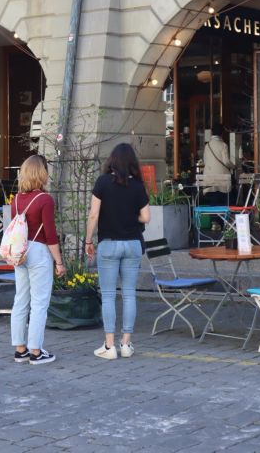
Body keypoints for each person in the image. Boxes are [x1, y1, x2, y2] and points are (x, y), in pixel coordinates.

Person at [85, 143, 151, 361]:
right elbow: (146, 217)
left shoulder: (103, 182)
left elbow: (94, 215)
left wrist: (88, 240)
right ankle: (126, 343)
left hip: (109, 243)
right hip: (132, 243)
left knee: (109, 295)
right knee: (130, 293)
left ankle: (109, 345)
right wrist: (131, 217)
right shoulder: (138, 186)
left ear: (111, 160)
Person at [10, 155, 65, 365]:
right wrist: (58, 262)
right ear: (41, 173)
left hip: (21, 252)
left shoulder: (16, 199)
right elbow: (50, 235)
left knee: (21, 299)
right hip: (39, 251)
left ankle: (20, 348)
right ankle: (36, 351)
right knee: (40, 302)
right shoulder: (44, 199)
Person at [201, 123, 234, 206]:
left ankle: (214, 217)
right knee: (225, 198)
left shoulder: (207, 146)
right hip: (221, 179)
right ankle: (223, 217)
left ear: (212, 133)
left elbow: (205, 161)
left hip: (209, 179)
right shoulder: (223, 145)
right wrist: (233, 166)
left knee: (213, 200)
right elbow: (226, 161)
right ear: (222, 133)